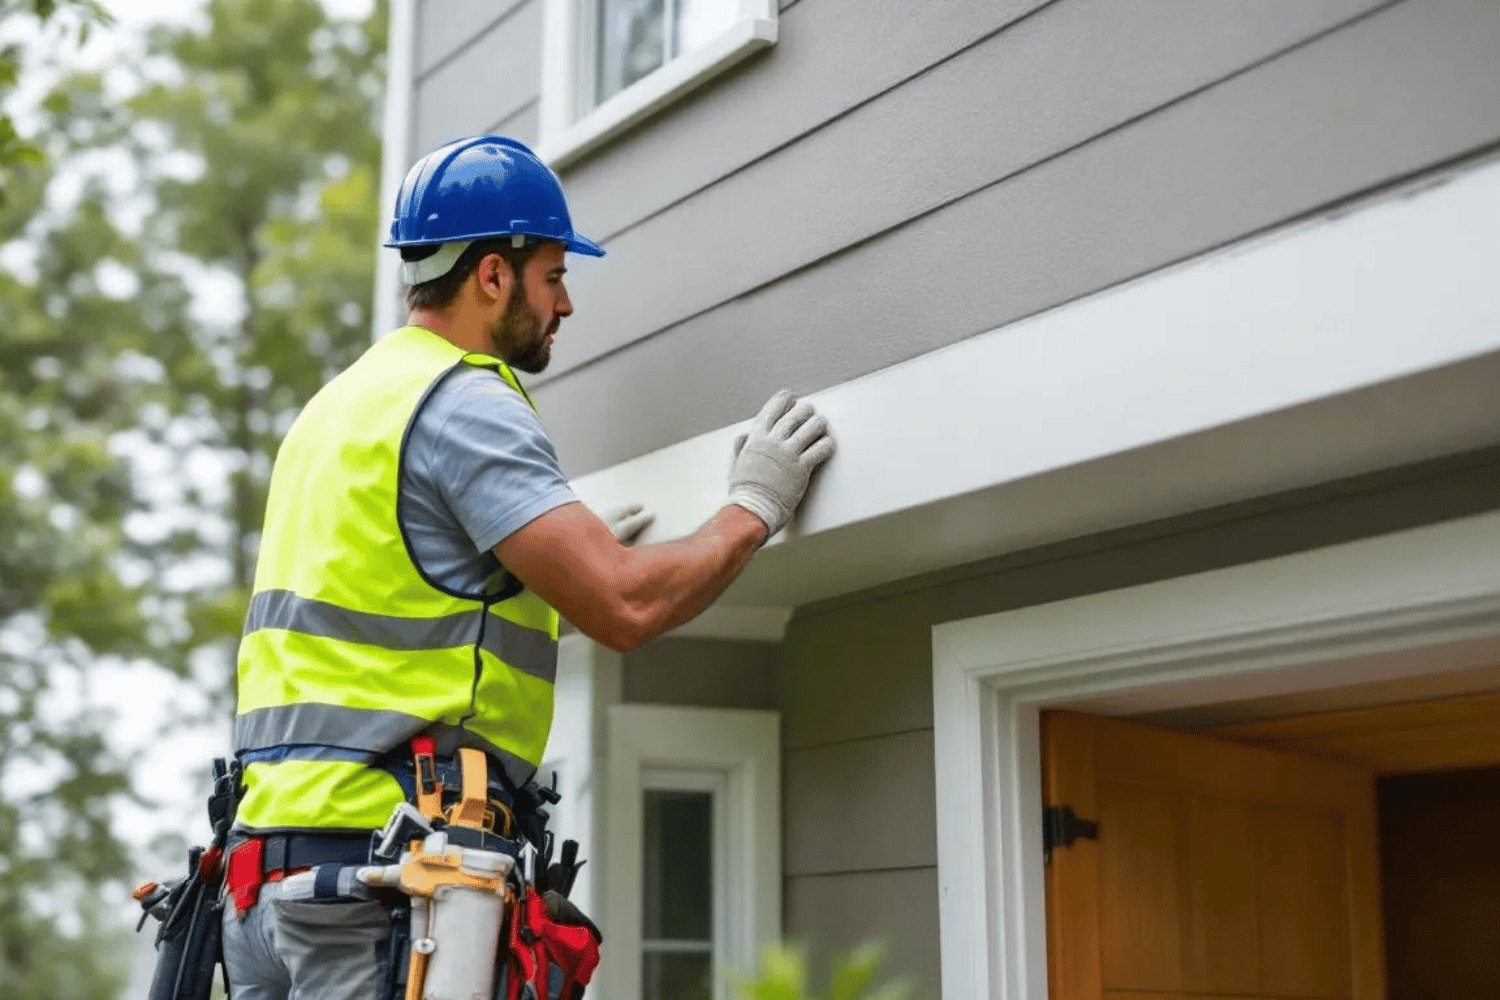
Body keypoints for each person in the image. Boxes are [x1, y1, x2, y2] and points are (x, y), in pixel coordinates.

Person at [218, 135, 835, 999]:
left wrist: (536, 579)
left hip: (264, 887)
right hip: (379, 882)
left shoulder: (337, 407)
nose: (567, 304)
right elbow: (624, 605)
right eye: (553, 275)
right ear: (492, 276)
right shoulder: (464, 399)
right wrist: (752, 509)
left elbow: (396, 599)